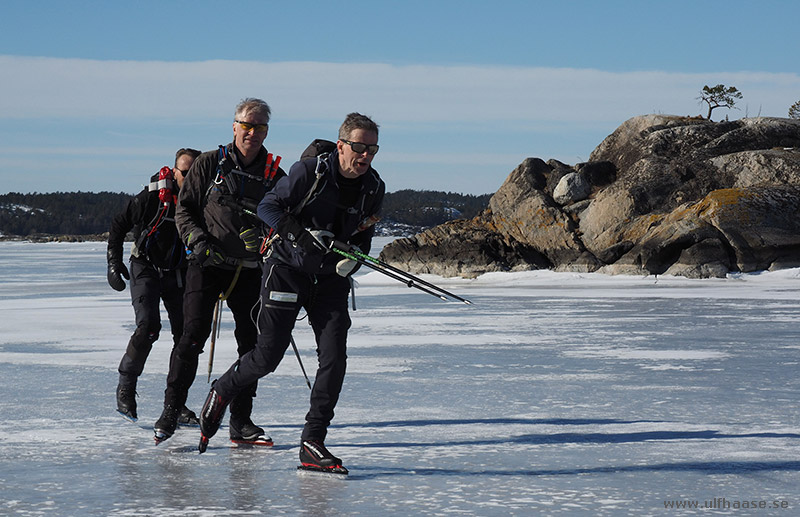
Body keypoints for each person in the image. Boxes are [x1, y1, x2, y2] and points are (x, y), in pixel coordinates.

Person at [198, 113, 385, 473]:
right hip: (286, 270)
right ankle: (223, 388)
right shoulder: (309, 172)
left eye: (372, 149)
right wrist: (301, 236)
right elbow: (269, 208)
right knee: (268, 356)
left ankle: (312, 441)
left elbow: (362, 238)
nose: (365, 156)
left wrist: (352, 261)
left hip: (329, 279)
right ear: (342, 144)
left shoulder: (374, 188)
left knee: (334, 357)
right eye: (359, 147)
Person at [154, 98, 286, 444]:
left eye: (260, 127)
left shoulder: (274, 175)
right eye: (247, 126)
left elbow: (286, 221)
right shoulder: (208, 164)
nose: (252, 133)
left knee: (251, 344)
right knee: (192, 335)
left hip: (250, 269)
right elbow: (184, 211)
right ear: (234, 127)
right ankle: (172, 410)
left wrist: (266, 236)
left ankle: (241, 421)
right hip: (207, 263)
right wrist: (198, 242)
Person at [107, 147, 202, 423]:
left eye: (195, 172)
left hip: (178, 272)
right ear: (174, 172)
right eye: (185, 172)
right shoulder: (152, 197)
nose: (190, 177)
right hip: (145, 266)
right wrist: (113, 263)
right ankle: (126, 387)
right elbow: (118, 224)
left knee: (188, 337)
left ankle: (176, 404)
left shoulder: (202, 201)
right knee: (148, 327)